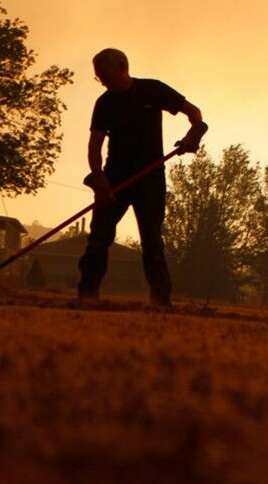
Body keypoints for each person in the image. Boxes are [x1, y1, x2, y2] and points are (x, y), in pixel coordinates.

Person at [78, 48, 207, 307]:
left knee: (151, 240)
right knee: (99, 238)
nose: (102, 81)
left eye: (104, 75)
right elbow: (95, 146)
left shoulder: (153, 90)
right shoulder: (104, 103)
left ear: (122, 66)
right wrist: (99, 178)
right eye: (98, 77)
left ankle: (160, 301)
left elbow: (194, 114)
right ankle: (87, 295)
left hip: (151, 180)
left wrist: (194, 135)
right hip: (115, 180)